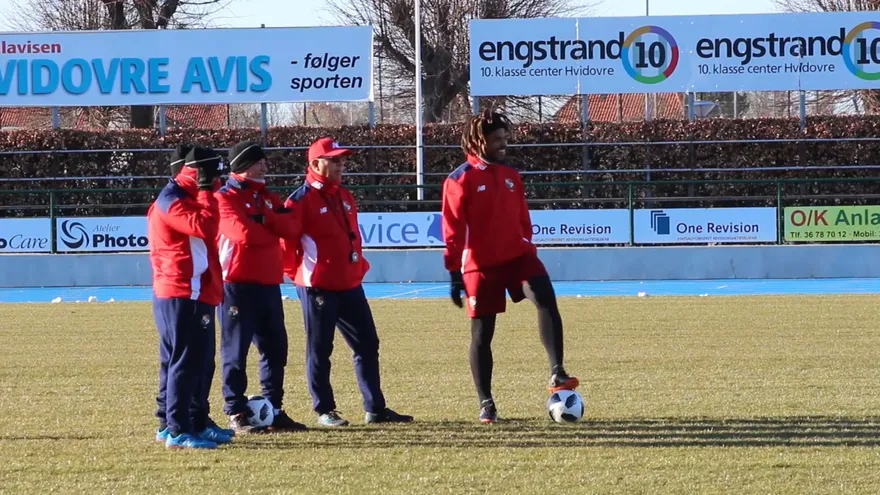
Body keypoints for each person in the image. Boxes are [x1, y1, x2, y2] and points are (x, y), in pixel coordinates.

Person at [441, 110, 580, 424]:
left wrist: (525, 242)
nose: (504, 144)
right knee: (482, 334)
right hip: (481, 266)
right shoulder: (459, 179)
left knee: (545, 296)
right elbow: (452, 229)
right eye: (497, 140)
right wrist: (453, 272)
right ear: (480, 141)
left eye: (506, 138)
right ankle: (486, 403)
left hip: (518, 257)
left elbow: (522, 218)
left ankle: (557, 371)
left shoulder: (510, 174)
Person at [280, 136, 413, 427]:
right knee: (320, 348)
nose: (342, 164)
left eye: (343, 159)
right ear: (316, 163)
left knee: (367, 344)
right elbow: (285, 247)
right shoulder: (300, 200)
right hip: (318, 286)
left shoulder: (344, 195)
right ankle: (324, 410)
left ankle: (375, 408)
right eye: (335, 159)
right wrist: (301, 275)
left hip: (350, 283)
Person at [216, 140, 307, 434]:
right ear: (243, 164)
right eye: (260, 162)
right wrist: (270, 227)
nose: (266, 166)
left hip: (269, 283)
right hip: (236, 284)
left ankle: (273, 407)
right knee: (236, 351)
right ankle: (236, 410)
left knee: (275, 348)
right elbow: (243, 234)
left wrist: (264, 220)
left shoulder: (266, 197)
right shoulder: (225, 197)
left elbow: (292, 227)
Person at [148, 145, 233, 449]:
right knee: (184, 361)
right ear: (200, 173)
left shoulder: (184, 195)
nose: (219, 179)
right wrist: (207, 190)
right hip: (181, 290)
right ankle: (177, 429)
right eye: (214, 173)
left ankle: (189, 421)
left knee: (193, 360)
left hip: (193, 289)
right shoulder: (172, 200)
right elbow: (207, 227)